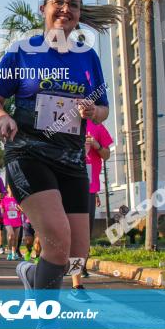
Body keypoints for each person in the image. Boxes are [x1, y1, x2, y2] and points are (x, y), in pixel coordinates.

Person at [0, 0, 121, 329]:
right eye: (58, 3)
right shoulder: (23, 52)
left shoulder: (86, 56)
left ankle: (33, 273)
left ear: (79, 15)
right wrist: (1, 119)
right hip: (28, 152)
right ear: (44, 8)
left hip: (72, 158)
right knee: (57, 240)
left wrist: (95, 111)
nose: (66, 10)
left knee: (76, 254)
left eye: (73, 5)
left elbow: (104, 108)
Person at [70, 120, 113, 298]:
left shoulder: (97, 127)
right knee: (67, 233)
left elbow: (106, 155)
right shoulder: (64, 122)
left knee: (82, 236)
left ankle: (77, 278)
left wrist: (95, 145)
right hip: (67, 184)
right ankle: (74, 279)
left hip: (88, 187)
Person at [0, 191, 23, 260]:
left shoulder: (18, 198)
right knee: (11, 236)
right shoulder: (4, 199)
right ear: (8, 189)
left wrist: (19, 208)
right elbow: (2, 210)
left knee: (16, 238)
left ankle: (14, 253)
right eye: (10, 188)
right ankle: (9, 252)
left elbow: (22, 210)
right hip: (7, 220)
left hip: (17, 219)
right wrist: (2, 214)